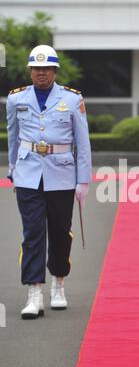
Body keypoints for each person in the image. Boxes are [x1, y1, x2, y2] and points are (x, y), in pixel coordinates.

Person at [6, 45, 92, 320]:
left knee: (59, 231)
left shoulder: (72, 98)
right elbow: (13, 135)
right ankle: (34, 292)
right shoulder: (16, 98)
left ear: (55, 70)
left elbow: (82, 142)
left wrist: (83, 180)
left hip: (62, 174)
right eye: (36, 68)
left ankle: (58, 283)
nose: (41, 73)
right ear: (30, 70)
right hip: (29, 171)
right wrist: (13, 168)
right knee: (32, 233)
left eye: (46, 68)